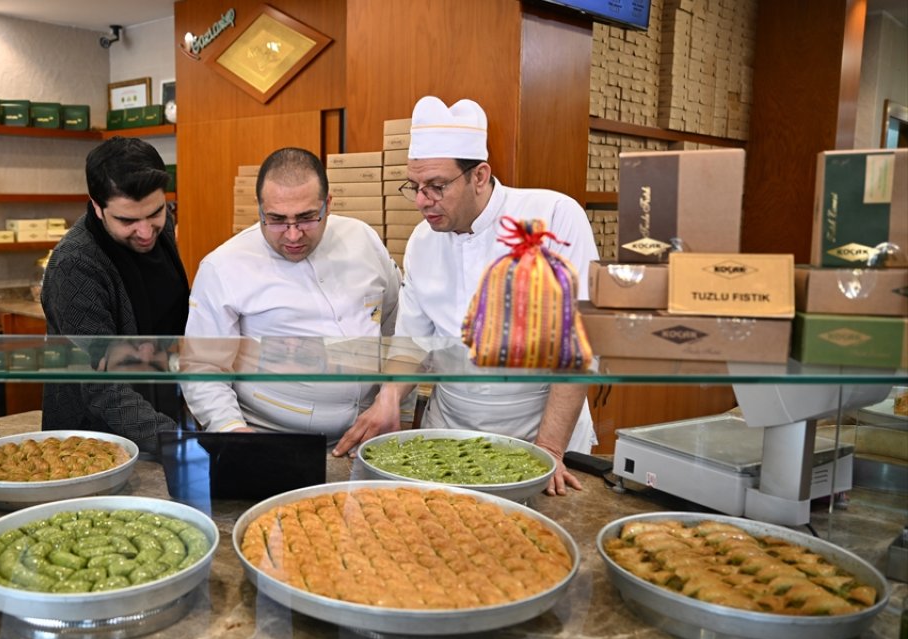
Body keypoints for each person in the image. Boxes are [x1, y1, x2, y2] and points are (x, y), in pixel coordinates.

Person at [335, 97, 599, 496]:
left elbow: (580, 347)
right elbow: (413, 343)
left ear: (479, 176)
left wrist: (549, 450)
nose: (423, 201)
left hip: (540, 430)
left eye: (437, 186)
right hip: (448, 433)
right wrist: (388, 398)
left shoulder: (554, 217)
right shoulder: (423, 240)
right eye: (416, 186)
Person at [182, 147, 404, 446]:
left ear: (328, 204)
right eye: (275, 220)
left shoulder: (363, 238)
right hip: (274, 443)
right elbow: (202, 366)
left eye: (307, 218)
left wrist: (393, 396)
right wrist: (230, 429)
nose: (293, 235)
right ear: (259, 209)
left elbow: (395, 322)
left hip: (371, 435)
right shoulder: (223, 266)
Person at [40, 137, 188, 454]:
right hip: (95, 444)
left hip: (164, 422)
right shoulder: (75, 265)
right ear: (97, 206)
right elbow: (101, 387)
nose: (146, 231)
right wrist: (178, 441)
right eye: (127, 220)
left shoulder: (161, 226)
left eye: (156, 213)